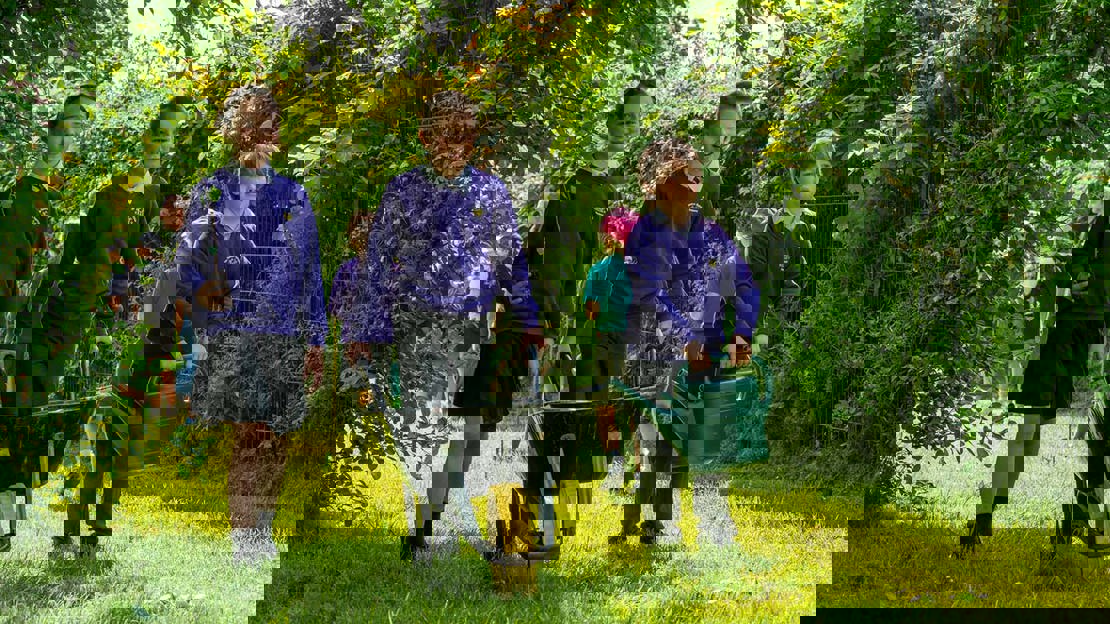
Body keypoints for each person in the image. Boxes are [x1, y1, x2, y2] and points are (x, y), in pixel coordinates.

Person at [343, 90, 544, 561]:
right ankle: (435, 539)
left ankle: (488, 537)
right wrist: (365, 332)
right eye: (444, 132)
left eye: (463, 134)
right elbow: (377, 264)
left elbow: (513, 265)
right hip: (416, 331)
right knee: (423, 432)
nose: (454, 142)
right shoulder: (403, 190)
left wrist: (531, 328)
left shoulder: (490, 193)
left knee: (485, 436)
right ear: (424, 136)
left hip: (475, 332)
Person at [174, 84, 326, 565]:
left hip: (281, 332)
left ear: (276, 135)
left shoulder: (292, 194)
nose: (256, 138)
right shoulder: (212, 190)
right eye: (247, 129)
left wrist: (315, 339)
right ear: (232, 134)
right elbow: (190, 270)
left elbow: (309, 272)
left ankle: (261, 528)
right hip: (229, 333)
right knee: (245, 435)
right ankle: (246, 539)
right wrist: (196, 339)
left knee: (274, 436)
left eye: (265, 129)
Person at [614, 137, 759, 543]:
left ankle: (714, 527)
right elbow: (649, 294)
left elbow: (744, 285)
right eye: (684, 171)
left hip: (705, 353)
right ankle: (657, 523)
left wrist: (742, 332)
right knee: (661, 437)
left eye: (697, 170)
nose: (694, 178)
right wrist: (683, 335)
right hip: (654, 352)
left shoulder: (712, 234)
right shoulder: (646, 233)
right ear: (662, 181)